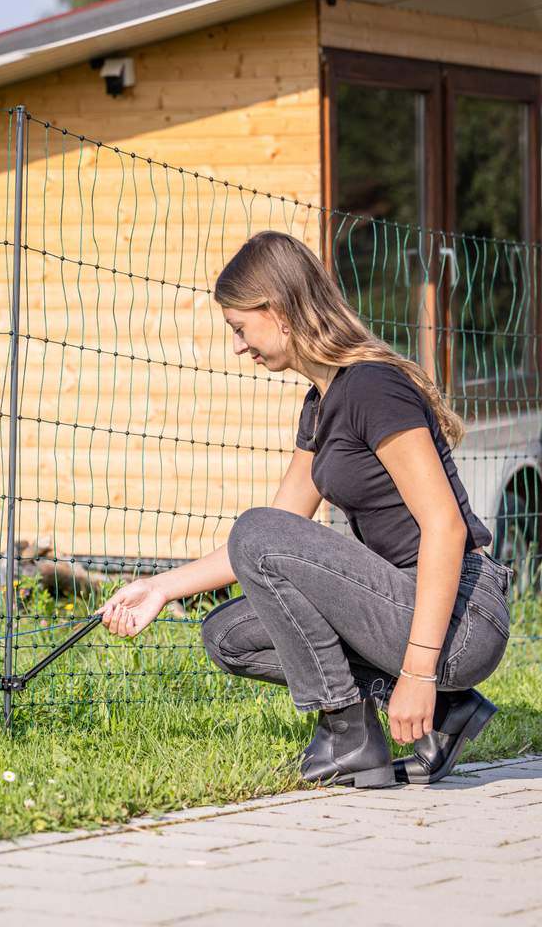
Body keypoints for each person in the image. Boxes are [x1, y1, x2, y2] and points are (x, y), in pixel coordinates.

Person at [98, 230, 513, 788]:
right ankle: (448, 712)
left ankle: (349, 734)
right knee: (229, 635)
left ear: (279, 310)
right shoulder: (322, 403)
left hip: (464, 615)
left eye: (240, 329)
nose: (239, 347)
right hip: (406, 602)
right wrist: (161, 588)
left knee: (256, 532)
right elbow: (267, 542)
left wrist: (418, 671)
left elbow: (445, 526)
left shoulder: (373, 387)